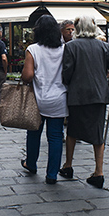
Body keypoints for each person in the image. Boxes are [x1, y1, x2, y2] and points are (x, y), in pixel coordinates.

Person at [61, 15, 109, 189]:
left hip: (77, 95)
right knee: (98, 133)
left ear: (78, 29)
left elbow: (66, 73)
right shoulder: (104, 46)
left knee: (72, 130)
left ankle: (68, 166)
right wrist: (105, 83)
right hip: (99, 95)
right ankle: (99, 171)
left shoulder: (70, 46)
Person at [21, 15, 68, 184]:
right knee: (55, 137)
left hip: (38, 99)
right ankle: (52, 174)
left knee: (33, 133)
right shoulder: (64, 49)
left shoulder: (33, 49)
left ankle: (31, 164)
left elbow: (27, 76)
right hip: (60, 99)